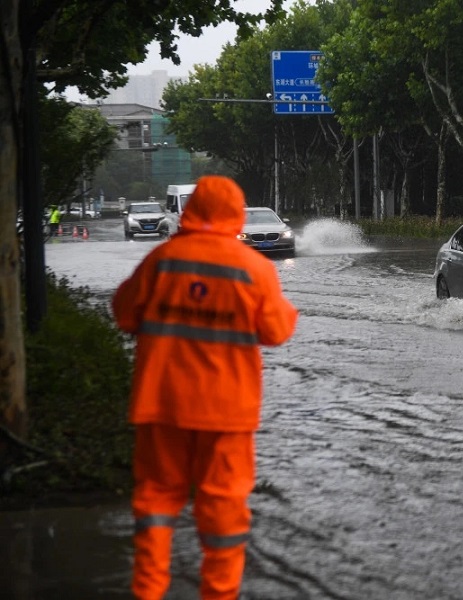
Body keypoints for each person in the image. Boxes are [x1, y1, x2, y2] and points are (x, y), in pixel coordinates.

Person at [112, 175, 298, 599]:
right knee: (224, 509)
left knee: (157, 502)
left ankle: (148, 590)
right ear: (235, 213)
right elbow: (276, 331)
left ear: (191, 210)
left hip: (161, 405)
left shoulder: (162, 260)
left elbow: (123, 314)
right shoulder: (251, 268)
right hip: (226, 413)